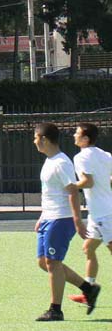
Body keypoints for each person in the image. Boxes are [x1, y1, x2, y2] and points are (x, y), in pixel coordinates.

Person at [32, 123, 99, 321]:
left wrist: (77, 221)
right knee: (44, 263)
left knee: (53, 263)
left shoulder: (61, 163)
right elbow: (51, 194)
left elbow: (72, 192)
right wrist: (42, 217)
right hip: (49, 218)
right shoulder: (49, 161)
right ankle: (88, 289)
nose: (34, 141)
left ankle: (55, 309)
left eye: (36, 138)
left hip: (61, 219)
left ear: (44, 139)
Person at [66, 122, 110, 314]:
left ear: (85, 139)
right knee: (88, 248)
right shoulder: (106, 155)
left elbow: (88, 182)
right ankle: (89, 290)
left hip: (104, 214)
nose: (73, 136)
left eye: (77, 133)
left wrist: (71, 186)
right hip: (98, 212)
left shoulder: (81, 157)